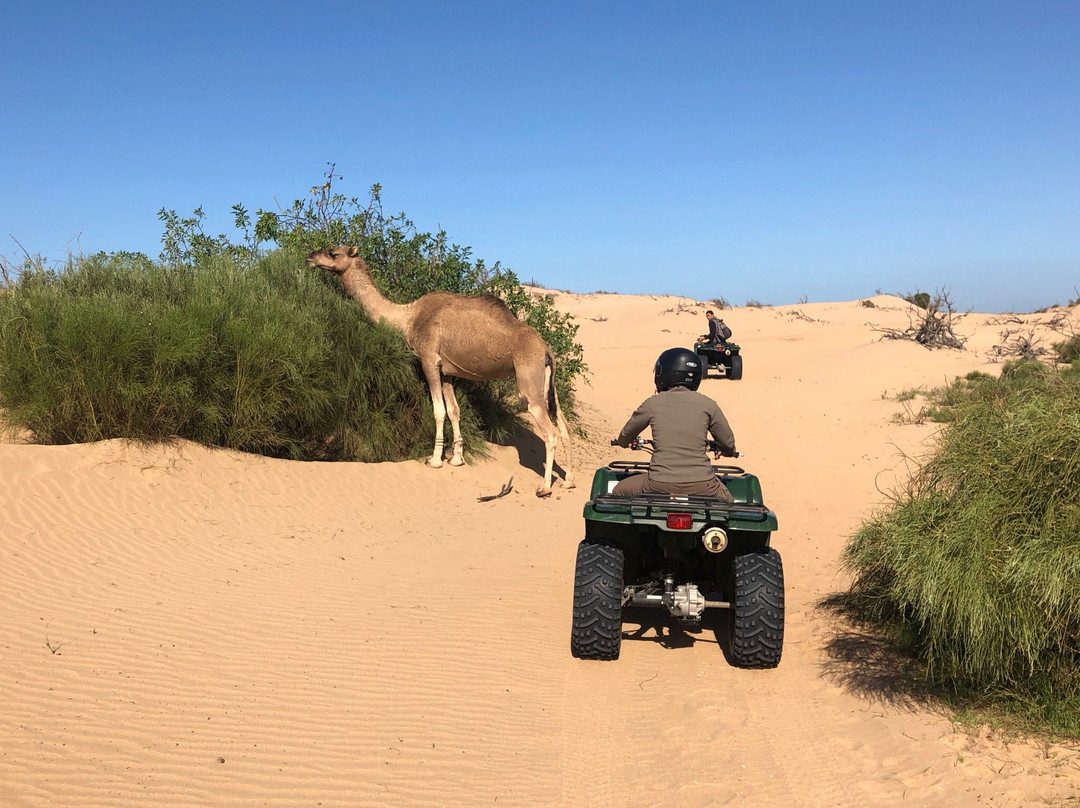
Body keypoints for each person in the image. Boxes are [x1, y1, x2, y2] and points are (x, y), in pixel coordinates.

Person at [612, 347, 737, 500]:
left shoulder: (652, 403)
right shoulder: (708, 404)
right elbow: (728, 443)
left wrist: (625, 442)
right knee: (729, 505)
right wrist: (725, 450)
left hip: (658, 484)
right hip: (704, 485)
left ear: (663, 374)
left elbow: (625, 437)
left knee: (618, 491)